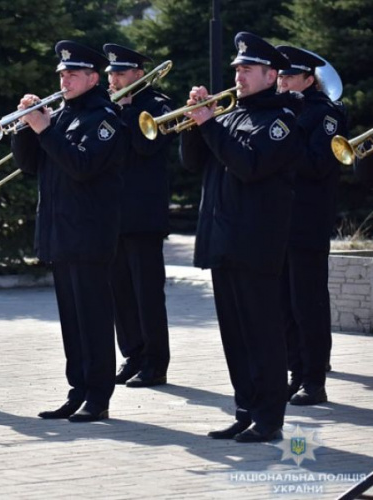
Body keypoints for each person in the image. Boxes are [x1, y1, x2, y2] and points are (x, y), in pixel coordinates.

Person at [179, 32, 303, 442]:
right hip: (222, 240)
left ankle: (270, 418)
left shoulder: (281, 121)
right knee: (234, 334)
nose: (239, 76)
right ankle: (245, 408)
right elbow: (193, 162)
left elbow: (248, 165)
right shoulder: (229, 115)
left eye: (247, 70)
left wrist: (210, 124)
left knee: (262, 333)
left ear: (271, 75)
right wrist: (196, 124)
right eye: (237, 69)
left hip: (256, 243)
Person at [11, 40, 128, 422]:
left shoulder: (105, 118)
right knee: (72, 320)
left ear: (93, 78)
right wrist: (27, 126)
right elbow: (31, 165)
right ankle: (77, 389)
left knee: (93, 317)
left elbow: (81, 166)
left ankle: (98, 395)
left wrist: (45, 128)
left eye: (72, 73)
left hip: (90, 232)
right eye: (61, 73)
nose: (64, 79)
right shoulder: (62, 114)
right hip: (61, 231)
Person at [275, 45, 348, 406]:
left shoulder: (325, 116)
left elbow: (319, 165)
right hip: (277, 221)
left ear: (308, 79)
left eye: (289, 76)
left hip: (307, 221)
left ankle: (314, 379)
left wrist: (285, 136)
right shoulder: (280, 110)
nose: (282, 81)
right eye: (280, 75)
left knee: (308, 304)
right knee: (284, 304)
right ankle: (295, 372)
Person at [103, 43, 173, 388]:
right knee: (120, 291)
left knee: (147, 293)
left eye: (120, 73)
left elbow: (148, 147)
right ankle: (132, 354)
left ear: (138, 75)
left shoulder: (158, 107)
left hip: (144, 216)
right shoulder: (108, 107)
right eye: (111, 73)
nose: (113, 80)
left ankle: (156, 362)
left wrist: (129, 112)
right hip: (112, 214)